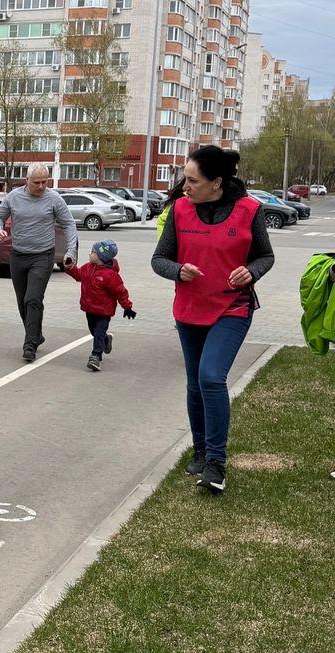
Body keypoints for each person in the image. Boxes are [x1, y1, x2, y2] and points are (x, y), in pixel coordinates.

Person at [152, 145, 274, 494]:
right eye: (185, 179)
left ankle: (216, 464)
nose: (185, 186)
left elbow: (265, 256)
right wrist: (178, 270)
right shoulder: (179, 210)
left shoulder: (250, 210)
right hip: (189, 308)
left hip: (232, 307)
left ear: (216, 183)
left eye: (192, 181)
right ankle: (201, 451)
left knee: (210, 376)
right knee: (195, 382)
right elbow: (159, 259)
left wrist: (251, 272)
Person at [0, 164, 78, 362]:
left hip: (42, 256)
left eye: (44, 182)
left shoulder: (54, 198)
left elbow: (69, 224)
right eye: (36, 182)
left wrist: (71, 251)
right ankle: (36, 334)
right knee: (23, 302)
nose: (41, 186)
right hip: (18, 256)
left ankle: (30, 345)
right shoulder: (14, 196)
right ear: (27, 181)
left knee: (33, 299)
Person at [64, 240, 136, 372]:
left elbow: (121, 292)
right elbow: (78, 275)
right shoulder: (87, 267)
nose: (90, 254)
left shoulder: (110, 275)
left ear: (101, 256)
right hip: (89, 309)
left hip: (104, 312)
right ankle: (106, 339)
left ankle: (96, 356)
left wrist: (127, 307)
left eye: (93, 252)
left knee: (98, 333)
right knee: (94, 331)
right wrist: (70, 267)